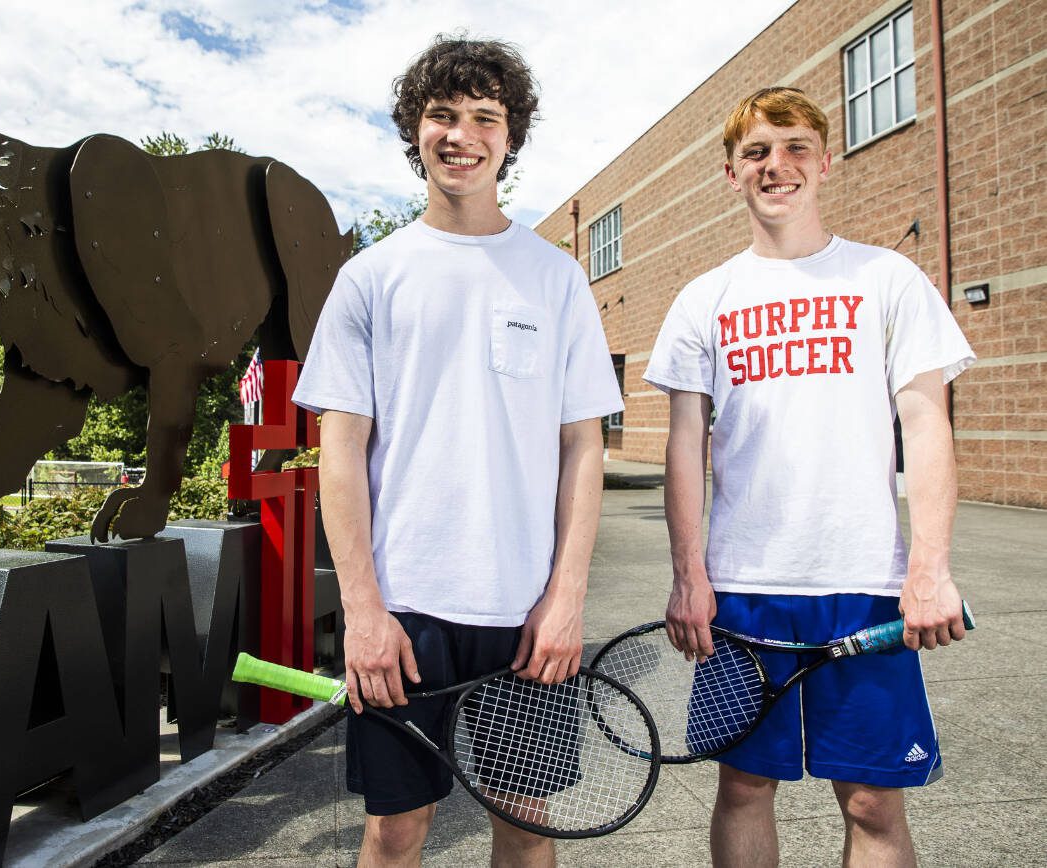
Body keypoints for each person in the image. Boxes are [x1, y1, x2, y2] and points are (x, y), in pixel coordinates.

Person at [293, 35, 619, 868]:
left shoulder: (555, 278)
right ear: (415, 128)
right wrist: (363, 612)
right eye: (442, 114)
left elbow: (584, 445)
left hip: (525, 611)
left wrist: (566, 597)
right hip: (405, 613)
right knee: (396, 831)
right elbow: (339, 454)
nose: (461, 134)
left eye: (485, 116)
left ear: (510, 137)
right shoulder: (371, 277)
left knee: (526, 818)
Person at [644, 86, 974, 868]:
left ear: (824, 163)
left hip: (863, 581)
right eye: (756, 152)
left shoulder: (886, 279)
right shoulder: (705, 297)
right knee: (744, 789)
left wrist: (928, 570)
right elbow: (685, 445)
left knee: (870, 799)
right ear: (731, 174)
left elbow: (926, 425)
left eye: (793, 148)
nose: (776, 166)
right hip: (743, 586)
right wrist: (689, 574)